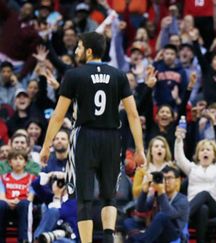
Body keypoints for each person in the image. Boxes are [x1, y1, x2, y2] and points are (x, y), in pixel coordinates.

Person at [39, 32, 146, 243]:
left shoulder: (73, 75)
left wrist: (45, 146)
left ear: (88, 50)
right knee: (109, 196)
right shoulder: (119, 75)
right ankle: (108, 239)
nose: (76, 51)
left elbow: (59, 116)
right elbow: (133, 115)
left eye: (79, 47)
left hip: (85, 137)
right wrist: (140, 149)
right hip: (112, 138)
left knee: (84, 198)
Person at [124, 166, 189, 243]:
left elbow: (169, 214)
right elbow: (140, 209)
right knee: (128, 223)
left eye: (169, 178)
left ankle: (140, 240)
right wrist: (144, 191)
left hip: (174, 235)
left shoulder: (182, 200)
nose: (166, 181)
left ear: (177, 181)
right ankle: (139, 239)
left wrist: (161, 192)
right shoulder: (156, 195)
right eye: (164, 178)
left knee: (161, 216)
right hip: (156, 234)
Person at [0, 149, 36, 243]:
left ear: (25, 162)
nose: (18, 161)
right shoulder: (3, 178)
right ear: (10, 162)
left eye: (21, 158)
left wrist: (18, 202)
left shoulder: (31, 178)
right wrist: (9, 201)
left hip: (23, 206)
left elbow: (30, 197)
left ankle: (24, 239)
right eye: (15, 159)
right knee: (1, 204)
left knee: (25, 204)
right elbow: (1, 196)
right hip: (7, 204)